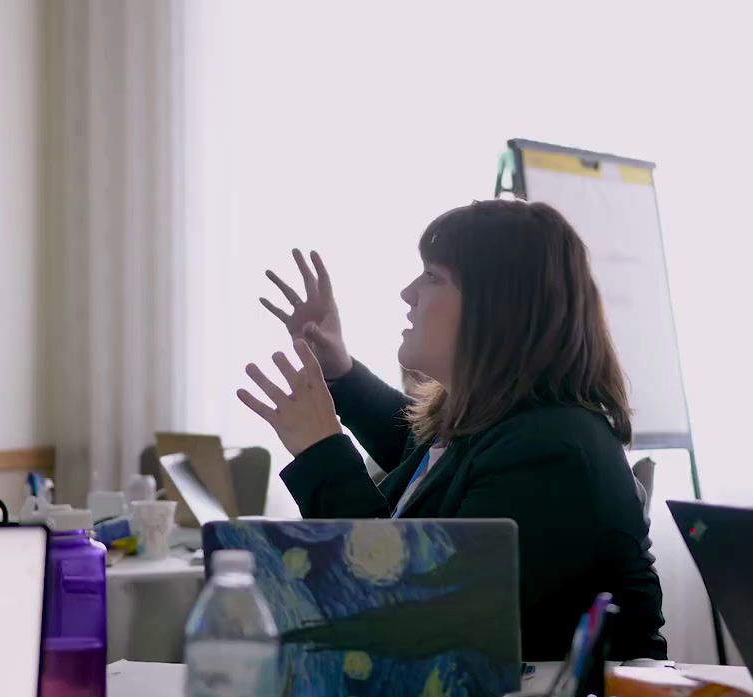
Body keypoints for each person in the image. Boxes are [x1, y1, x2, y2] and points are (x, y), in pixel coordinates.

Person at [236, 200, 667, 661]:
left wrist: (322, 452)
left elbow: (407, 618)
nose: (407, 292)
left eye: (432, 277)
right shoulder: (505, 424)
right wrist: (337, 370)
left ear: (498, 308)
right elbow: (428, 463)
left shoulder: (554, 453)